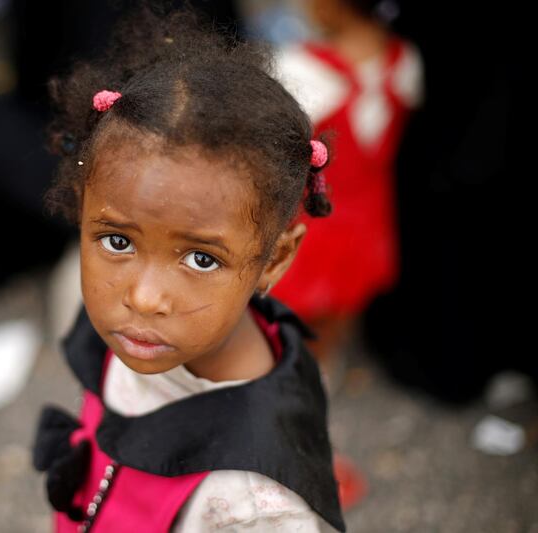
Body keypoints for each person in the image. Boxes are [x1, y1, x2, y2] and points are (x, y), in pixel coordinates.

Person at [32, 5, 345, 532]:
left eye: (202, 258)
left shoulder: (252, 507)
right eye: (116, 240)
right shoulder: (130, 330)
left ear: (275, 259)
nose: (145, 296)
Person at [267, 0, 425, 390]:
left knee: (290, 303)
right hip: (373, 214)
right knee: (345, 302)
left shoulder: (301, 68)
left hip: (315, 217)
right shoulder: (404, 61)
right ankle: (323, 364)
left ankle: (286, 369)